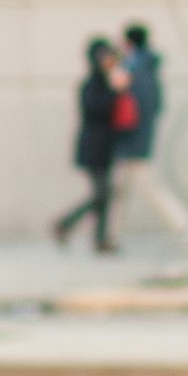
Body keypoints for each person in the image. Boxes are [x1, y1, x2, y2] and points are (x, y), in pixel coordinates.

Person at [54, 37, 125, 252]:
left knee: (103, 194)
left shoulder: (105, 81)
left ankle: (99, 238)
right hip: (93, 145)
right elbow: (97, 110)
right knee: (102, 193)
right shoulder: (92, 84)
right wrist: (116, 92)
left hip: (105, 145)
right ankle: (67, 223)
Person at [120, 24, 164, 163]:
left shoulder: (135, 65)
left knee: (135, 163)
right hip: (143, 119)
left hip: (134, 122)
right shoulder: (148, 63)